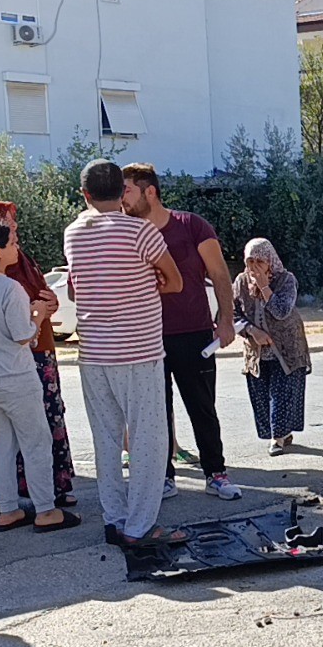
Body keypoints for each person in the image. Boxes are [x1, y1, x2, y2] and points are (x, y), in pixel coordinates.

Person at [64, 159, 187, 546]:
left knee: (106, 439)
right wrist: (145, 287)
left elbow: (74, 288)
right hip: (139, 348)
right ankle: (141, 526)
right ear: (122, 192)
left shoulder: (73, 233)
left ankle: (114, 520)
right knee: (149, 439)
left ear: (84, 195)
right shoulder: (142, 231)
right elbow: (175, 281)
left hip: (95, 351)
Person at [119, 163, 241, 501]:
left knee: (202, 408)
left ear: (150, 192)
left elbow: (218, 274)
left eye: (126, 190)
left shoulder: (191, 225)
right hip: (147, 337)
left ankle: (216, 473)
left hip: (194, 333)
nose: (121, 199)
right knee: (155, 412)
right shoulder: (126, 232)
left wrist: (226, 320)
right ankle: (163, 477)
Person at [0, 220, 80, 533]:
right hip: (15, 378)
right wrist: (38, 313)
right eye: (11, 243)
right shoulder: (11, 289)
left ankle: (8, 509)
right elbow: (22, 335)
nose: (16, 247)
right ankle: (45, 510)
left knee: (1, 443)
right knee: (36, 443)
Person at [233, 238, 310, 455]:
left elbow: (282, 311)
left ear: (270, 261)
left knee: (282, 393)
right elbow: (231, 314)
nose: (254, 266)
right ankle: (280, 433)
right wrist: (251, 331)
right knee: (261, 397)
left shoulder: (286, 280)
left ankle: (278, 439)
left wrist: (264, 287)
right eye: (250, 261)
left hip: (286, 348)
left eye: (260, 261)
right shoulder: (240, 282)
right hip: (257, 350)